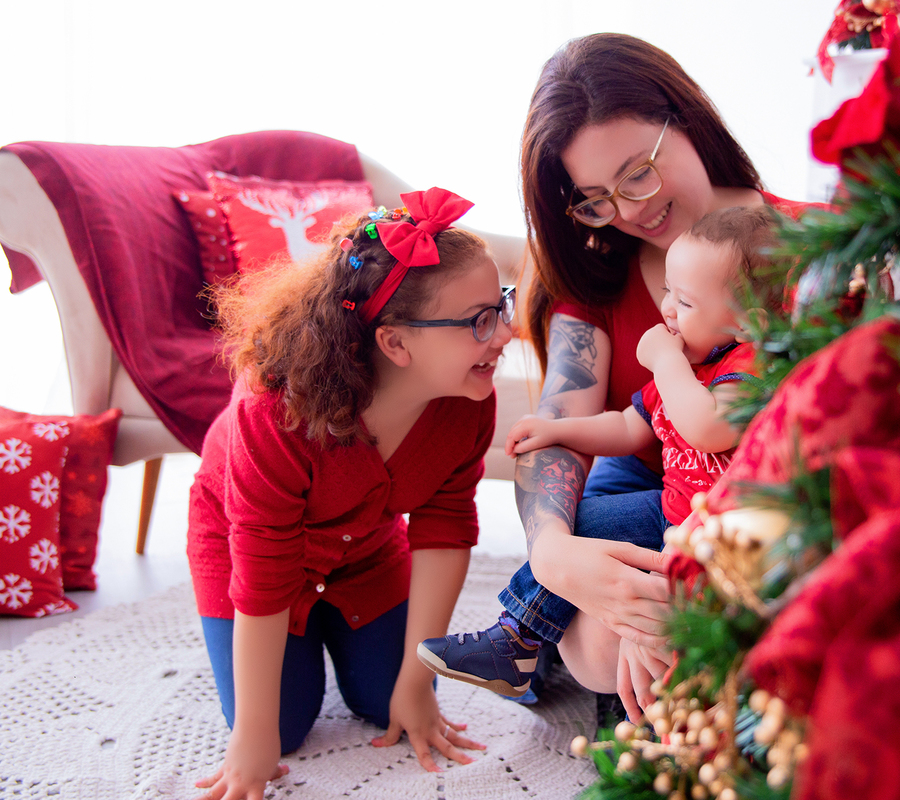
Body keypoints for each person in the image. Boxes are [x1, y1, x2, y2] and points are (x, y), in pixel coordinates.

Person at [443, 31, 809, 723]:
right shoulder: (597, 273)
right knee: (602, 640)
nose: (631, 211)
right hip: (651, 499)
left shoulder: (811, 248)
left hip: (762, 522)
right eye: (597, 198)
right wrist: (554, 556)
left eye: (638, 172)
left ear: (685, 118)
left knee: (655, 632)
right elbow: (581, 428)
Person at [187, 188, 512, 800]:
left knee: (393, 700)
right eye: (480, 321)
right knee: (280, 728)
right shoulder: (274, 412)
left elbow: (444, 529)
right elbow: (263, 565)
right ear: (395, 343)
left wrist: (415, 682)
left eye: (502, 307)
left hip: (364, 550)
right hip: (246, 549)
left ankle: (340, 633)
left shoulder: (469, 400)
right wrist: (252, 735)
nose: (506, 334)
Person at [418, 206, 785, 701]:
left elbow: (707, 427)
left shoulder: (751, 367)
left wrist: (665, 362)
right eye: (667, 293)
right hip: (671, 514)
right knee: (582, 524)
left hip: (730, 539)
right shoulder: (687, 368)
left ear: (748, 323)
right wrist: (558, 429)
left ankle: (663, 712)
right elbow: (628, 427)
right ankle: (515, 641)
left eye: (686, 302)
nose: (668, 310)